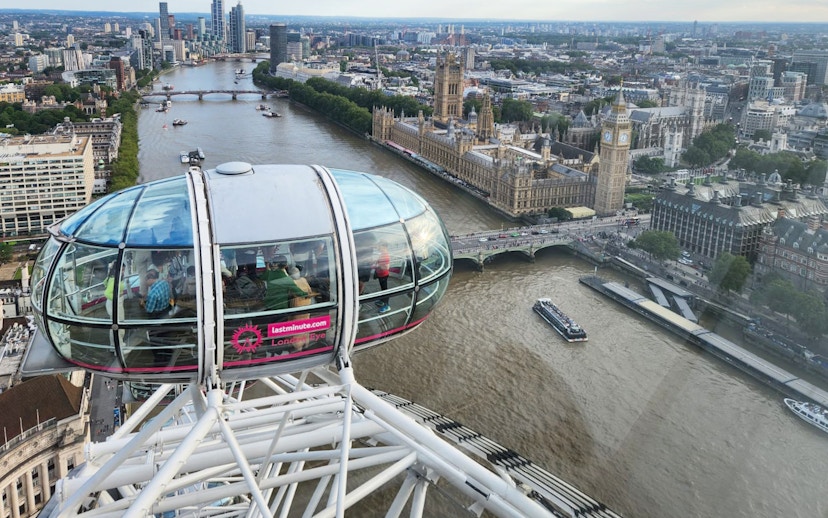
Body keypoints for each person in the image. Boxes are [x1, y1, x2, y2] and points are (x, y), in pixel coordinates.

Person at [375, 242, 391, 313]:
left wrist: (377, 266)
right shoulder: (382, 254)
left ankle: (387, 305)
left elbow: (387, 267)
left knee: (385, 290)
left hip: (384, 275)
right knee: (382, 289)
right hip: (381, 275)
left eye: (380, 246)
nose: (378, 248)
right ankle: (382, 301)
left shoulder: (385, 255)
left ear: (384, 247)